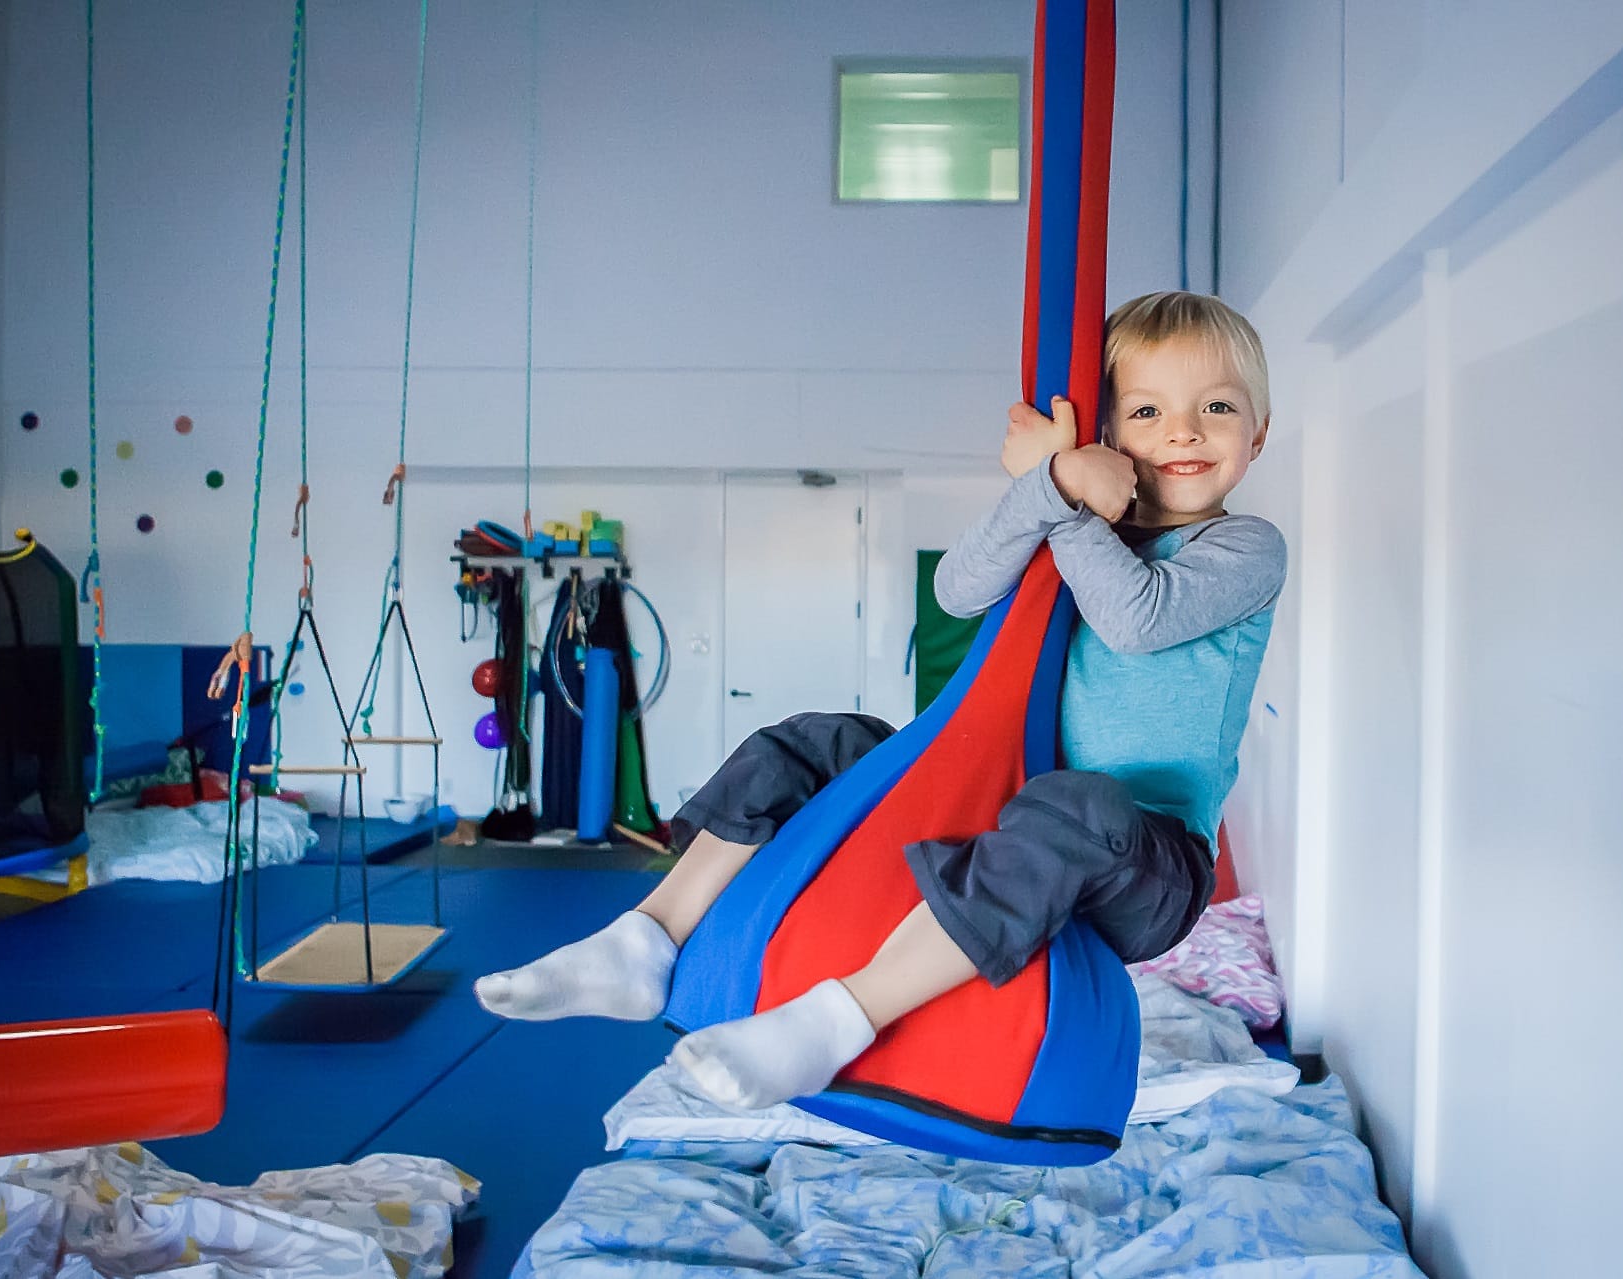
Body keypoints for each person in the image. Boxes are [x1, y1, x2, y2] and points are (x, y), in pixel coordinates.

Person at [474, 291, 1286, 1112]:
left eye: (1216, 406)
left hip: (1148, 862)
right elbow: (959, 586)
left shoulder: (1246, 547)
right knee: (816, 743)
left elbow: (1135, 617)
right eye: (1148, 410)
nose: (1183, 431)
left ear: (1257, 432)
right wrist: (1044, 489)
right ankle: (646, 937)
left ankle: (835, 1021)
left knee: (1083, 804)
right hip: (1018, 809)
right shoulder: (1078, 522)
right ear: (1112, 435)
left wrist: (1067, 500)